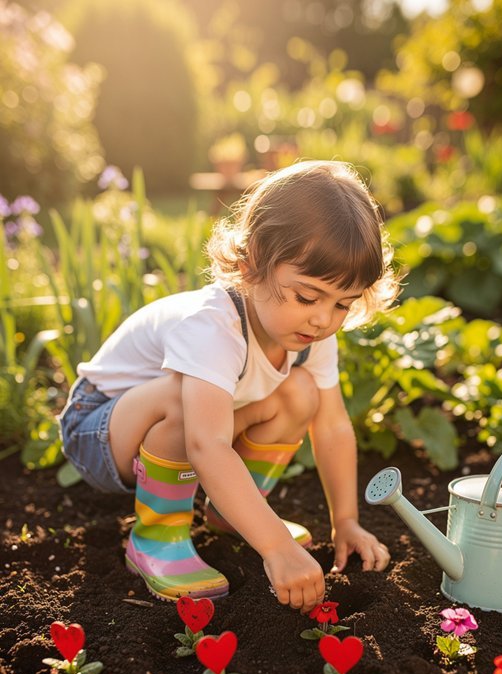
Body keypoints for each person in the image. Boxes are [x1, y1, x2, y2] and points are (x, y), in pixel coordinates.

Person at [58, 160, 397, 613]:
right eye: (307, 297)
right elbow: (207, 444)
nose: (323, 319)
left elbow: (332, 427)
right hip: (100, 431)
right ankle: (157, 538)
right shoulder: (212, 326)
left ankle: (231, 513)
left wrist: (347, 521)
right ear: (253, 259)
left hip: (187, 428)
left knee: (302, 394)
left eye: (342, 304)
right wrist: (276, 547)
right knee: (182, 398)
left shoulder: (310, 335)